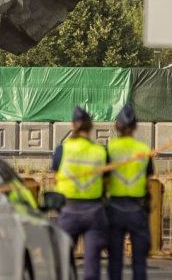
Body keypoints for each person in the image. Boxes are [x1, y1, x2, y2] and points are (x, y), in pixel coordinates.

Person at [54, 106, 108, 280]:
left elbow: (57, 176)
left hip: (68, 210)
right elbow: (106, 180)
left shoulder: (62, 150)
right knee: (92, 263)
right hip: (94, 211)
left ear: (73, 126)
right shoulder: (100, 151)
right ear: (90, 127)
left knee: (63, 262)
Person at [106, 104, 154, 280]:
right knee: (139, 261)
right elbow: (148, 180)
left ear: (117, 126)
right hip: (137, 209)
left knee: (115, 260)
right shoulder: (143, 150)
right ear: (134, 126)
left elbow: (104, 178)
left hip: (115, 208)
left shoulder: (110, 149)